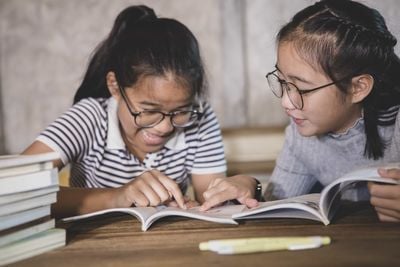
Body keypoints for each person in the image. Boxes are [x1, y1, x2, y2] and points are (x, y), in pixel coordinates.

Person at [22, 5, 259, 218]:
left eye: (180, 111)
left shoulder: (200, 118)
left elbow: (211, 198)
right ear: (115, 86)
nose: (165, 127)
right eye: (148, 111)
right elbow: (13, 188)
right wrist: (118, 197)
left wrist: (244, 184)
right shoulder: (89, 118)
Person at [262, 0, 400, 222]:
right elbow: (276, 209)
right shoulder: (302, 131)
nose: (286, 103)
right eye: (283, 83)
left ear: (358, 88)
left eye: (303, 89)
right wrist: (248, 189)